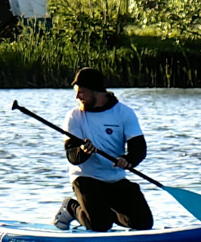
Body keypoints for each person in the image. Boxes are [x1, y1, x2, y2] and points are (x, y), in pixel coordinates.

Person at [53, 67, 152, 232]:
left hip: (115, 179)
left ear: (97, 92)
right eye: (76, 92)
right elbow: (72, 155)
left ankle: (104, 212)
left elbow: (139, 148)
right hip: (86, 178)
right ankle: (70, 207)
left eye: (82, 92)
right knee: (100, 225)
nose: (77, 97)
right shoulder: (74, 116)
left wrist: (128, 160)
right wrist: (83, 151)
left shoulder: (124, 113)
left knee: (143, 223)